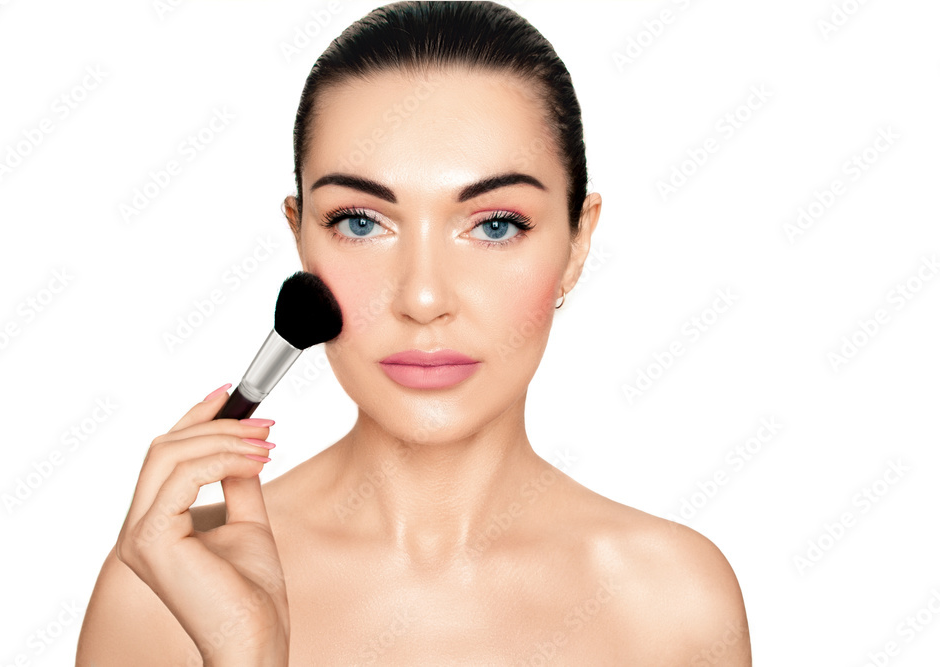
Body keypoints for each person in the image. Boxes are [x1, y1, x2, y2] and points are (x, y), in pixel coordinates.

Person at [77, 2, 751, 664]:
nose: (423, 298)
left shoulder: (675, 602)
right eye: (362, 222)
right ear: (301, 238)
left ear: (577, 242)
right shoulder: (164, 586)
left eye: (495, 224)